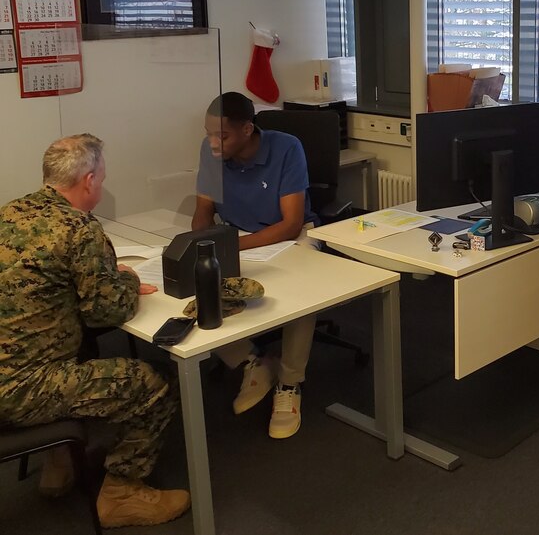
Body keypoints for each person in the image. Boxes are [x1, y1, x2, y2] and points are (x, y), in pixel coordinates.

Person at [0, 134, 191, 527]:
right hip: (20, 391)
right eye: (102, 180)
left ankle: (60, 463)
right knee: (154, 384)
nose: (101, 187)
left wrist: (96, 276)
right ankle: (121, 493)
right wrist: (124, 279)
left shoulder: (9, 213)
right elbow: (108, 309)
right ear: (88, 180)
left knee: (83, 347)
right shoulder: (79, 229)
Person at [193, 92, 321, 439]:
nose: (213, 142)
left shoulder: (286, 148)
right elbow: (203, 211)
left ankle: (290, 383)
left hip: (288, 236)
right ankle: (252, 362)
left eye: (222, 135)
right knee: (197, 283)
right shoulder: (211, 151)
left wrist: (230, 248)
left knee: (303, 292)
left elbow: (291, 222)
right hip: (236, 236)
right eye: (208, 134)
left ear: (247, 129)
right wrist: (200, 247)